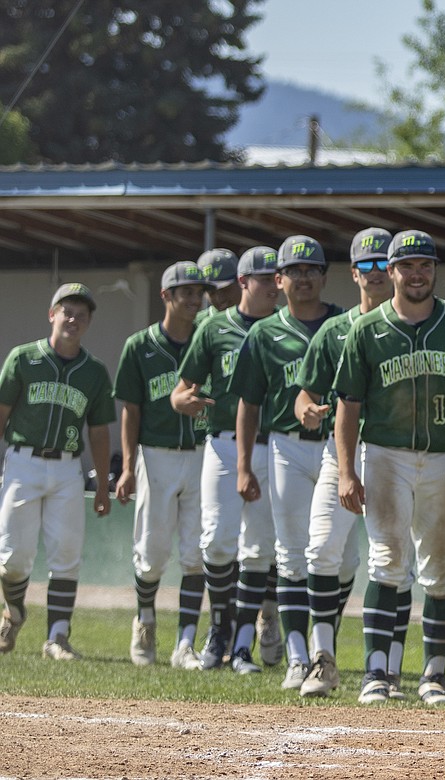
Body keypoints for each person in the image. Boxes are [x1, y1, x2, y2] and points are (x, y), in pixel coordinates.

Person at [333, 229, 445, 706]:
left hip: (443, 455)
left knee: (441, 568)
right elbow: (348, 404)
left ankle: (434, 675)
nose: (416, 274)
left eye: (425, 264)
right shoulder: (367, 330)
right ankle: (376, 672)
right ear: (390, 272)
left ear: (434, 270)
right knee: (387, 563)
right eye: (406, 266)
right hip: (385, 453)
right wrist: (347, 471)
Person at [230, 235, 343, 687]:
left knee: (341, 560)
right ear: (278, 280)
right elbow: (248, 404)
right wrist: (242, 464)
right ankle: (300, 657)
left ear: (324, 276)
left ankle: (322, 646)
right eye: (293, 271)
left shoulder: (342, 324)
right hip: (287, 446)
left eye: (311, 269)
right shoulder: (264, 332)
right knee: (292, 555)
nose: (303, 277)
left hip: (339, 447)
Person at [170, 246, 280, 671]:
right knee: (216, 542)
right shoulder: (215, 329)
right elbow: (182, 389)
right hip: (222, 441)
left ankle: (244, 643)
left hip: (275, 444)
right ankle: (220, 628)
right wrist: (184, 401)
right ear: (244, 282)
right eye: (265, 278)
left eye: (277, 277)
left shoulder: (286, 328)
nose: (274, 284)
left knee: (259, 549)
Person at [295, 227, 394, 698]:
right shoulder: (334, 330)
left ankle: (385, 669)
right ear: (354, 273)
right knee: (320, 550)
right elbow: (303, 396)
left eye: (383, 264)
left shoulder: (407, 324)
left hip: (394, 453)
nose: (376, 273)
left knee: (392, 562)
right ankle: (321, 660)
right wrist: (309, 411)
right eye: (367, 265)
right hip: (342, 455)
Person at [0, 283, 115, 660]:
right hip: (22, 461)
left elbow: (99, 432)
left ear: (88, 322)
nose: (73, 319)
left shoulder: (94, 372)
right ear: (52, 314)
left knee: (66, 554)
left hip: (67, 467)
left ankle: (58, 637)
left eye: (81, 315)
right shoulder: (23, 358)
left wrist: (100, 484)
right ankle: (14, 611)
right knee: (13, 557)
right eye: (67, 311)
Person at [114, 262, 213, 667]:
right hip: (155, 455)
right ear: (166, 296)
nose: (194, 299)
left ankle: (185, 642)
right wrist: (127, 466)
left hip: (203, 455)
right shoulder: (140, 345)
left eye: (198, 292)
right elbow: (130, 410)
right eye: (185, 292)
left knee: (196, 553)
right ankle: (146, 619)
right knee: (152, 553)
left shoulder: (210, 338)